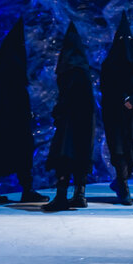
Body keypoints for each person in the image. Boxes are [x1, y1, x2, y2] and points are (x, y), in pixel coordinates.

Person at [0, 17, 49, 204]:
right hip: (12, 118)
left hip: (4, 117)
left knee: (2, 152)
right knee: (17, 150)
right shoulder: (12, 68)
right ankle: (23, 189)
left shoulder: (5, 63)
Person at [43, 22, 96, 212]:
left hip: (70, 122)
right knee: (81, 154)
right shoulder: (82, 70)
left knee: (65, 156)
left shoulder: (71, 71)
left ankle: (62, 197)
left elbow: (67, 98)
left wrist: (58, 112)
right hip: (84, 121)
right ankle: (79, 195)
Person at [100, 12, 133, 205]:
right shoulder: (109, 64)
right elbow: (105, 87)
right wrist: (122, 99)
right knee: (119, 150)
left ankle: (120, 181)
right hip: (115, 114)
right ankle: (123, 186)